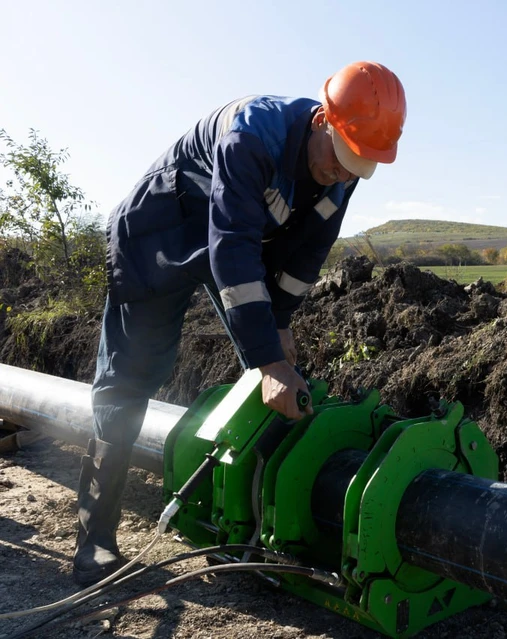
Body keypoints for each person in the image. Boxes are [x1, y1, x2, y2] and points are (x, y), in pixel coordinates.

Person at [74, 61, 406, 586]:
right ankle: (94, 543)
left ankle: (263, 510)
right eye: (342, 159)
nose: (344, 175)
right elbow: (232, 248)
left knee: (274, 358)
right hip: (159, 240)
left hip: (230, 245)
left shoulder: (343, 170)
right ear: (323, 120)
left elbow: (306, 256)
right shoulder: (251, 135)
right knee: (130, 380)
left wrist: (279, 325)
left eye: (359, 168)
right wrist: (266, 359)